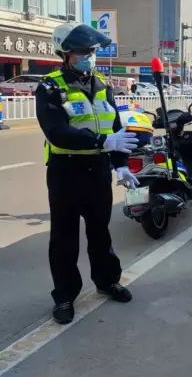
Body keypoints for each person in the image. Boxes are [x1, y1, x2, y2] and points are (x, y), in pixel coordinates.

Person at [35, 23, 140, 325]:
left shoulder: (102, 84)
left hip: (98, 171)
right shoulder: (51, 87)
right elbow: (56, 131)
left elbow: (115, 129)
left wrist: (121, 164)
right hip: (66, 171)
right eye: (82, 51)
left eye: (92, 51)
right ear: (65, 54)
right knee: (64, 237)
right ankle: (65, 296)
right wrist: (101, 142)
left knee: (100, 231)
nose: (89, 56)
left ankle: (108, 281)